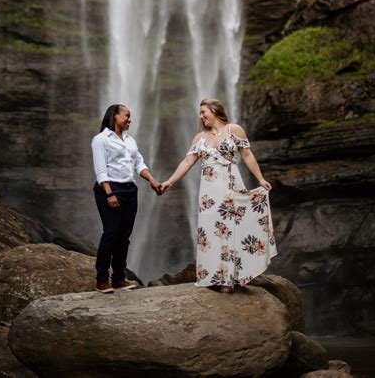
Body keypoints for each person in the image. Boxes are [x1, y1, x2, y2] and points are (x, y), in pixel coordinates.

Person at [160, 98, 277, 293]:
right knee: (210, 231)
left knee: (232, 227)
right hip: (209, 193)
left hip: (231, 186)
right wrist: (169, 182)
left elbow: (247, 155)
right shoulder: (199, 138)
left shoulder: (234, 130)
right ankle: (214, 276)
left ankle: (230, 279)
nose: (201, 116)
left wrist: (260, 179)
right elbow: (187, 162)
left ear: (214, 110)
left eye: (204, 112)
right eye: (200, 113)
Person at [91, 103, 162, 293]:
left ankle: (119, 278)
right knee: (111, 233)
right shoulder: (101, 140)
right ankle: (101, 279)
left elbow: (139, 163)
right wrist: (109, 194)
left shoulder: (130, 140)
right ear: (115, 116)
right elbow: (100, 170)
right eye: (126, 116)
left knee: (124, 236)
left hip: (130, 190)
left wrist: (152, 181)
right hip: (110, 189)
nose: (130, 119)